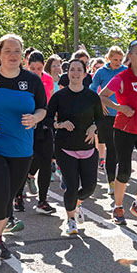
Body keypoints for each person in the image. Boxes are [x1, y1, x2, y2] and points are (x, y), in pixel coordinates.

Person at [0, 34, 47, 268]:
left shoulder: (32, 81)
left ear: (22, 55)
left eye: (17, 51)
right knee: (1, 193)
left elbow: (43, 108)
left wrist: (34, 118)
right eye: (7, 51)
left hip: (21, 148)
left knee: (7, 197)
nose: (12, 55)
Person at [99, 41, 137, 225]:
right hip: (125, 129)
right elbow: (102, 96)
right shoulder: (122, 77)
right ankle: (117, 207)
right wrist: (119, 107)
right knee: (124, 171)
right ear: (130, 56)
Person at [46, 59, 102, 235]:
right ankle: (70, 220)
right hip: (65, 148)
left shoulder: (92, 96)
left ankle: (76, 203)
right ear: (67, 73)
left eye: (79, 70)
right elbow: (47, 120)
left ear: (85, 74)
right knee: (71, 187)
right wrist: (60, 125)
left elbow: (101, 119)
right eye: (72, 70)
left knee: (89, 187)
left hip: (88, 148)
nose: (75, 73)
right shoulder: (59, 96)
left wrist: (94, 127)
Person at [20, 51, 57, 214]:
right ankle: (17, 197)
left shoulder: (47, 79)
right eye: (32, 68)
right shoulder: (20, 78)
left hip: (44, 121)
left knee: (46, 160)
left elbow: (48, 101)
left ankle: (42, 200)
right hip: (24, 121)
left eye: (39, 68)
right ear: (26, 65)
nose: (36, 72)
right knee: (24, 160)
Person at [89, 46, 126, 181]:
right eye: (115, 59)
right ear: (108, 58)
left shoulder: (126, 71)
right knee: (111, 146)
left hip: (123, 115)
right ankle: (111, 180)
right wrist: (100, 101)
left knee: (119, 149)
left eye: (120, 60)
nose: (118, 62)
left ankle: (119, 177)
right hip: (107, 115)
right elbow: (92, 89)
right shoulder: (101, 72)